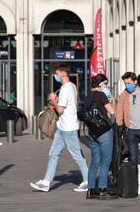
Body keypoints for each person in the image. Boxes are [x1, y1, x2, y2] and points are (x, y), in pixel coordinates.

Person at [30, 63, 89, 193]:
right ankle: (46, 182)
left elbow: (61, 110)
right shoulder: (72, 86)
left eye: (57, 74)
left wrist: (53, 100)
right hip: (62, 128)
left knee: (77, 155)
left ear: (62, 74)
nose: (56, 76)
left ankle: (87, 181)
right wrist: (57, 100)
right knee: (53, 153)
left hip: (68, 128)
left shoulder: (66, 89)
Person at [85, 74, 117, 200]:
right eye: (106, 84)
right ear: (102, 84)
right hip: (104, 131)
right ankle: (103, 188)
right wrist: (112, 100)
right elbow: (112, 112)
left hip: (92, 132)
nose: (107, 86)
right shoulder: (101, 95)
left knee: (94, 162)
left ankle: (91, 190)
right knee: (105, 161)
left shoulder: (88, 96)